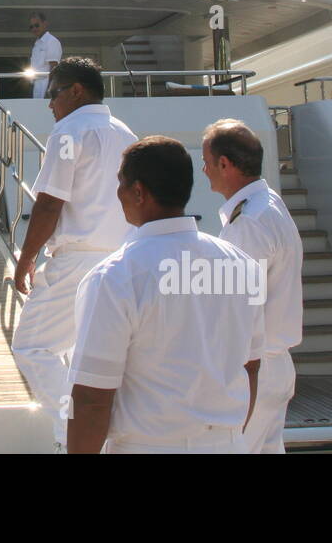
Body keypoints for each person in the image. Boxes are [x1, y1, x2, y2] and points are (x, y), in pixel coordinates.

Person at [68, 136, 264, 454]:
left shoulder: (115, 276)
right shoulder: (243, 266)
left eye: (120, 183)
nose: (117, 193)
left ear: (138, 191)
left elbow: (92, 399)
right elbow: (251, 366)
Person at [11, 57, 136, 450]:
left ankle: (72, 437)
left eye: (53, 93)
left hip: (76, 261)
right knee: (83, 354)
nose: (50, 104)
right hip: (122, 260)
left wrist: (25, 259)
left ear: (76, 91)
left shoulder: (69, 131)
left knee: (33, 347)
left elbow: (49, 203)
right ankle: (90, 436)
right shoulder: (126, 134)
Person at [202, 118, 303, 454]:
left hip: (253, 370)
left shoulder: (248, 224)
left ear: (225, 164)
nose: (204, 170)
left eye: (206, 162)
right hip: (274, 364)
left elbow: (238, 311)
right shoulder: (269, 204)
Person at [27, 12, 62, 99]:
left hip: (46, 86)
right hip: (36, 85)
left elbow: (54, 67)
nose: (34, 28)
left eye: (36, 25)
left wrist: (50, 90)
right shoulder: (37, 44)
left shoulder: (51, 41)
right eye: (31, 27)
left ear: (45, 24)